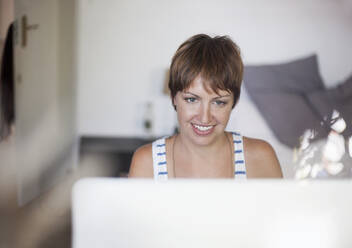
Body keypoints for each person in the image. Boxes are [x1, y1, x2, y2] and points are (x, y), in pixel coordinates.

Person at [129, 34, 283, 180]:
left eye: (219, 102)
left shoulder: (260, 158)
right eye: (191, 100)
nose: (205, 117)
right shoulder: (147, 162)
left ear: (233, 102)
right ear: (174, 97)